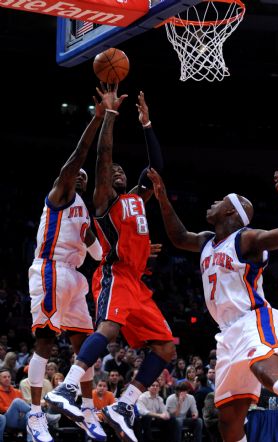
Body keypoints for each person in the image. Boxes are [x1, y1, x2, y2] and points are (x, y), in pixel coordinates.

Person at [45, 86, 176, 442]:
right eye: (112, 171)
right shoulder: (105, 201)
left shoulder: (137, 197)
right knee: (110, 329)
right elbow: (104, 155)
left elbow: (157, 169)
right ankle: (68, 388)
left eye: (121, 170)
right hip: (115, 274)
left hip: (138, 283)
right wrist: (110, 116)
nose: (117, 171)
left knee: (166, 347)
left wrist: (146, 124)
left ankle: (124, 405)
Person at [148, 167, 278, 442]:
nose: (213, 203)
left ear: (231, 212)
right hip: (227, 333)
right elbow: (180, 238)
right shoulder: (207, 241)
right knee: (228, 421)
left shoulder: (246, 239)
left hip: (253, 318)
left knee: (265, 370)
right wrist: (162, 198)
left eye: (221, 202)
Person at [27, 93, 109, 442]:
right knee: (45, 342)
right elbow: (78, 157)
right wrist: (99, 118)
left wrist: (94, 237)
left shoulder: (85, 212)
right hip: (50, 270)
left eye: (84, 179)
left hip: (76, 278)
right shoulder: (59, 195)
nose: (79, 179)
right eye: (75, 176)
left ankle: (88, 410)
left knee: (86, 347)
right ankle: (34, 414)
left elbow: (96, 254)